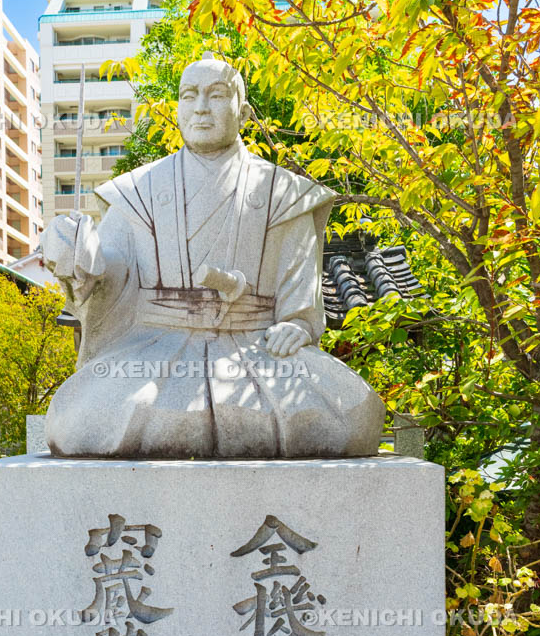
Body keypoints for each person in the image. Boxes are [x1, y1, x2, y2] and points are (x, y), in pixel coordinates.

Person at [40, 54, 385, 458]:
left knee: (348, 420)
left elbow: (300, 306)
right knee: (83, 421)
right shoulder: (138, 193)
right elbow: (107, 275)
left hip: (256, 347)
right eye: (190, 95)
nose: (201, 107)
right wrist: (79, 256)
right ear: (178, 110)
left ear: (243, 112)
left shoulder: (283, 194)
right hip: (154, 348)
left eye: (217, 95)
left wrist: (297, 326)